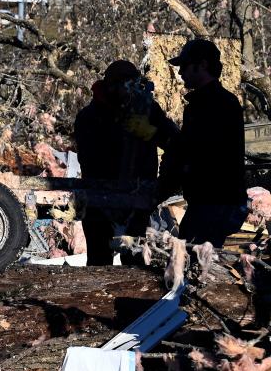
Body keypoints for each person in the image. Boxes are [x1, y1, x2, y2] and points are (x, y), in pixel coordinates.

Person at [74, 60, 178, 265]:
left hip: (137, 197)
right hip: (100, 198)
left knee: (135, 259)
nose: (131, 92)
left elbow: (175, 142)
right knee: (99, 261)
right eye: (126, 86)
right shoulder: (90, 116)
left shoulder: (147, 109)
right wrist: (120, 130)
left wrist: (151, 133)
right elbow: (90, 159)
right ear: (112, 86)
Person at [159, 39, 247, 248]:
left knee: (191, 260)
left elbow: (200, 153)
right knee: (189, 257)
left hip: (214, 202)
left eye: (185, 66)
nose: (180, 73)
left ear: (203, 65)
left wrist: (174, 157)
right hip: (210, 202)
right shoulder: (210, 103)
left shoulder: (217, 105)